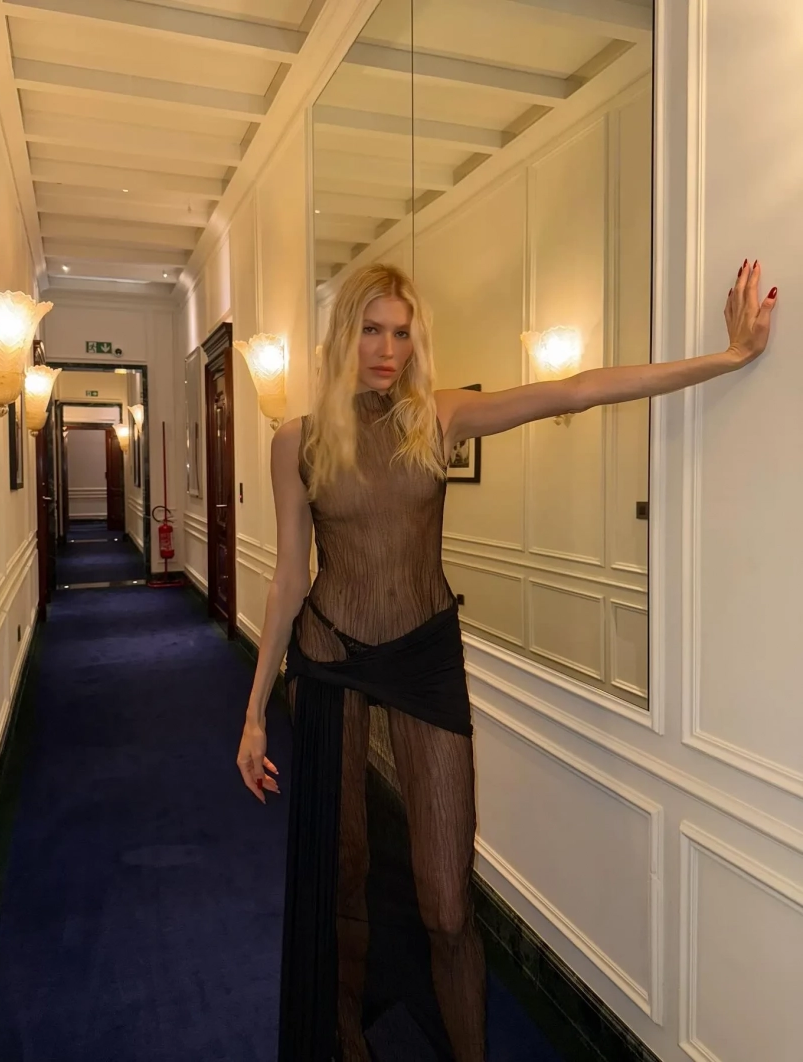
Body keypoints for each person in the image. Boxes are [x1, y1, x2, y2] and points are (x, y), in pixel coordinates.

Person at [237, 259, 777, 1061]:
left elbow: (576, 390)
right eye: (371, 330)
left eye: (401, 333)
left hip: (424, 660)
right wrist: (254, 712)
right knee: (343, 876)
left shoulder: (438, 418)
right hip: (328, 662)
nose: (386, 349)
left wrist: (729, 358)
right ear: (344, 334)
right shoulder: (298, 441)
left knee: (448, 903)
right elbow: (288, 578)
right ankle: (346, 1042)